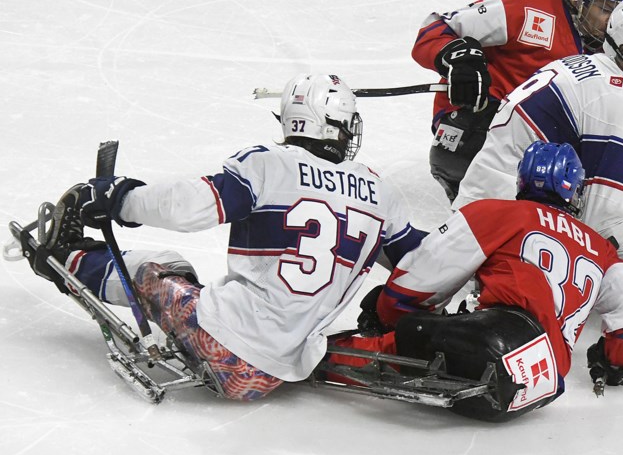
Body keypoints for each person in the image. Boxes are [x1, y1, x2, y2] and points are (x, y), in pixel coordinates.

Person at [26, 73, 427, 401]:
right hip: (276, 372)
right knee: (192, 281)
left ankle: (64, 258)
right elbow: (424, 260)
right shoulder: (380, 194)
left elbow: (188, 206)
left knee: (163, 267)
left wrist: (120, 198)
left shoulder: (268, 166)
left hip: (220, 344)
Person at [327, 141, 623, 423]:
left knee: (379, 345)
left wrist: (389, 314)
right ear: (574, 190)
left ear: (523, 180)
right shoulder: (601, 247)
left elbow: (422, 275)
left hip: (495, 346)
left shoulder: (497, 212)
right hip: (543, 381)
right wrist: (614, 362)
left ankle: (302, 359)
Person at [451, 0, 623, 336]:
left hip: (485, 220)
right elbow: (604, 217)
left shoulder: (591, 71)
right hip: (501, 236)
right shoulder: (612, 97)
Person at [412, 0, 623, 204]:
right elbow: (434, 29)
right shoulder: (526, 7)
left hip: (541, 141)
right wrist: (458, 58)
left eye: (622, 11)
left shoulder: (618, 49)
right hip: (477, 125)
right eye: (606, 9)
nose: (614, 21)